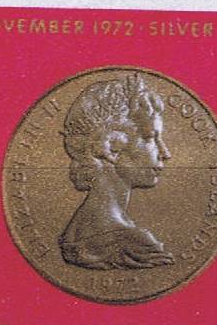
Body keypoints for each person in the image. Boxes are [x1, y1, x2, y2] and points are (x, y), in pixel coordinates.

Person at [57, 72, 177, 272]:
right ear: (113, 147)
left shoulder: (74, 232)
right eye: (150, 138)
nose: (165, 153)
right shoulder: (136, 242)